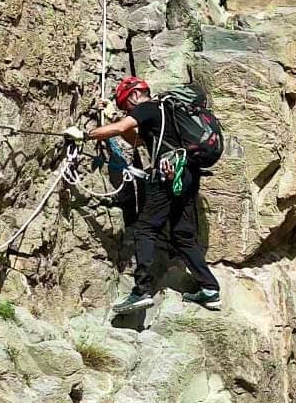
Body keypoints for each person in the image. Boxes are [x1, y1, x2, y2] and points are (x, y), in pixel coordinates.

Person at [68, 77, 221, 314]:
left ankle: (141, 291)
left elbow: (121, 128)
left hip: (168, 173)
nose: (128, 110)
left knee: (146, 229)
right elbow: (137, 139)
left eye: (126, 106)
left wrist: (85, 135)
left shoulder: (148, 107)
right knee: (182, 234)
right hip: (188, 173)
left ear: (134, 95)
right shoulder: (165, 111)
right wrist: (113, 118)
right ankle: (210, 289)